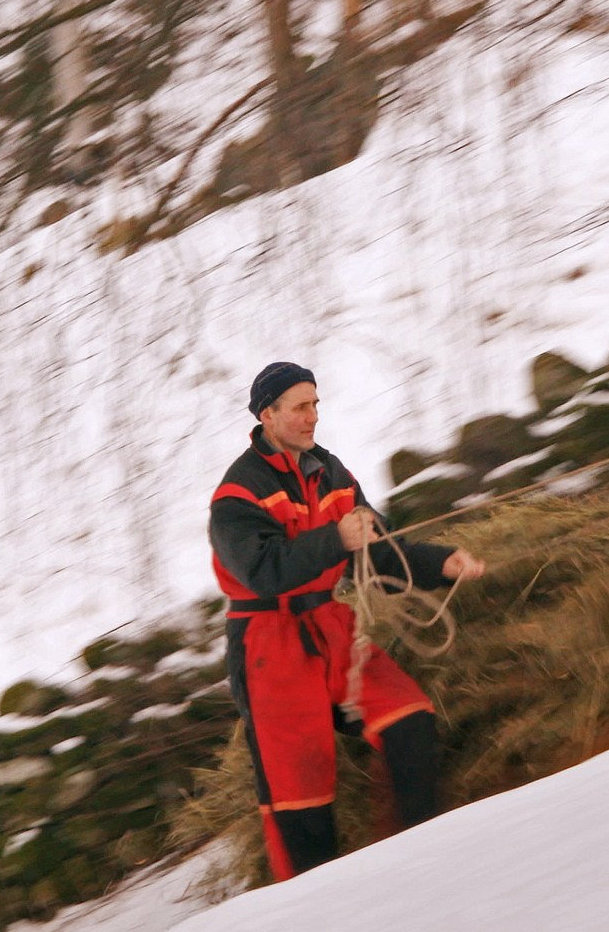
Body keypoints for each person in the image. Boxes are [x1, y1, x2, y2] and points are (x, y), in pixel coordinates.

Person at [208, 361, 487, 881]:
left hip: (331, 629)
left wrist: (439, 563)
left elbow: (377, 554)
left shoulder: (330, 471)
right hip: (270, 648)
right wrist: (337, 539)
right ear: (268, 415)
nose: (314, 416)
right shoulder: (236, 495)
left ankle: (419, 864)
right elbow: (265, 571)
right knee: (301, 796)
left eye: (316, 404)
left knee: (410, 720)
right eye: (301, 406)